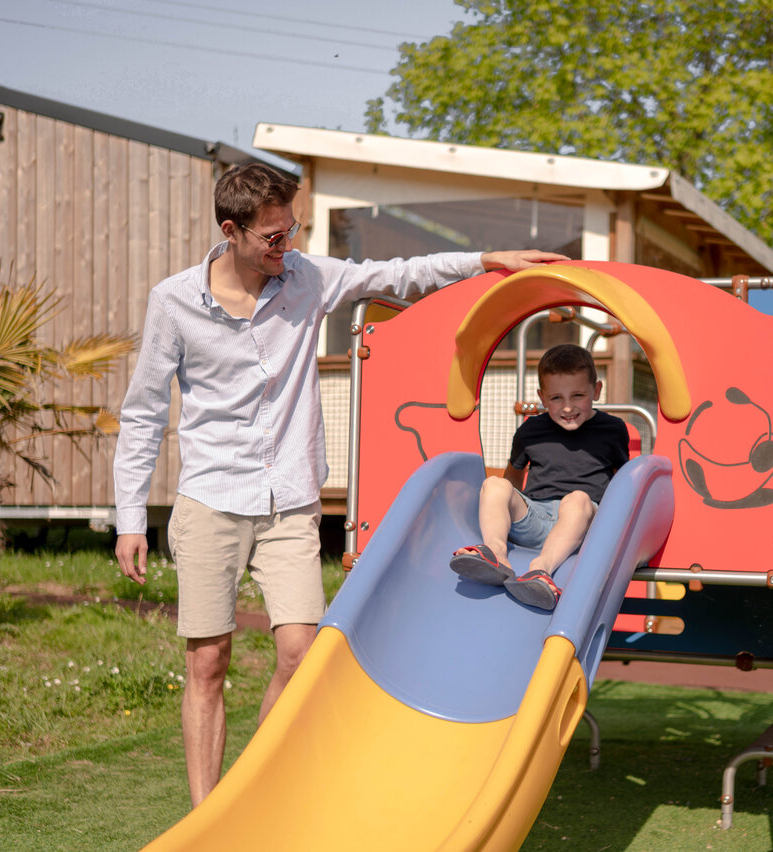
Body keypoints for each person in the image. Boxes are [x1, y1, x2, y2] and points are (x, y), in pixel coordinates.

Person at [113, 162, 567, 807]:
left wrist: (485, 260)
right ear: (231, 231)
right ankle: (205, 815)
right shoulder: (175, 301)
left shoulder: (307, 278)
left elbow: (398, 272)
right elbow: (143, 410)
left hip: (291, 500)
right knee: (207, 663)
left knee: (302, 655)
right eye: (273, 237)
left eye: (292, 231)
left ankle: (247, 792)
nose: (287, 247)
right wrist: (130, 515)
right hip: (211, 497)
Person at [449, 343, 630, 610]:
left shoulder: (613, 429)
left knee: (577, 499)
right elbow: (513, 479)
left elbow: (622, 483)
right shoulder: (531, 430)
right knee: (494, 484)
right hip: (535, 517)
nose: (567, 407)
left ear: (597, 390)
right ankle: (496, 554)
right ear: (542, 397)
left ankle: (540, 569)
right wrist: (504, 511)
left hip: (581, 525)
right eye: (556, 398)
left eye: (577, 395)